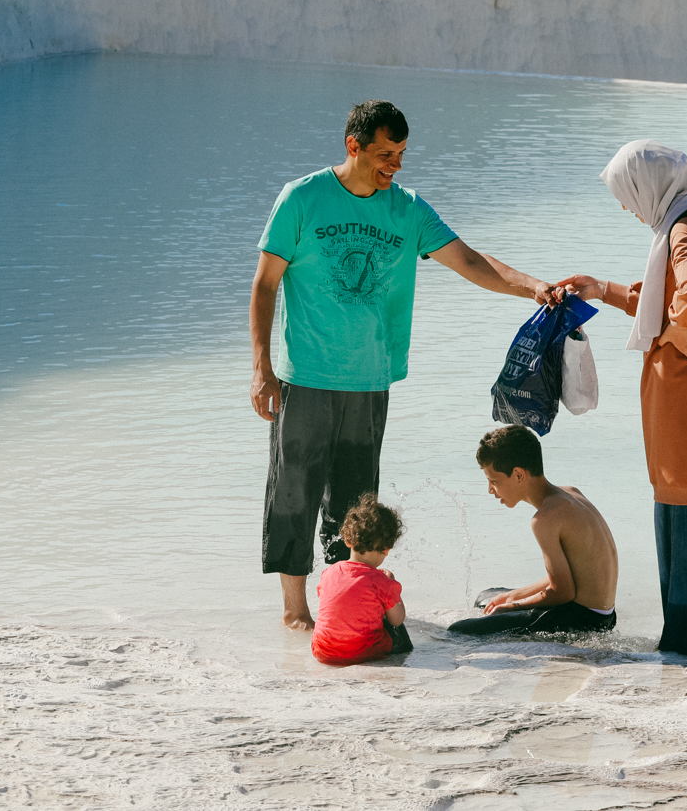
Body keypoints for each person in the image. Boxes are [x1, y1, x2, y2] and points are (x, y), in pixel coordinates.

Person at [251, 99, 557, 630]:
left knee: (354, 504)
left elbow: (470, 261)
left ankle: (340, 605)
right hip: (304, 376)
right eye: (386, 153)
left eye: (402, 155)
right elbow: (264, 284)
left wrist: (534, 287)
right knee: (293, 493)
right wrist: (261, 368)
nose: (395, 165)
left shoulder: (407, 209)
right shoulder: (302, 199)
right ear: (354, 146)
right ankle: (295, 612)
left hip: (370, 380)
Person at [555, 140, 687, 656]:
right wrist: (602, 288)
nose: (627, 205)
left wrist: (669, 333)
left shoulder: (683, 231)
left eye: (628, 193)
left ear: (649, 186)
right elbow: (666, 296)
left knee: (684, 520)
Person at [447, 424, 619, 637]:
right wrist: (513, 596)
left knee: (458, 632)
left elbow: (563, 591)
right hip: (605, 615)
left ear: (518, 475)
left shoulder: (544, 519)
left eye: (493, 481)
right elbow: (571, 576)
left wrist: (512, 606)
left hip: (583, 619)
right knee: (486, 597)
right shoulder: (572, 494)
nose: (490, 490)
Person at [311, 494, 414, 665]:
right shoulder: (383, 581)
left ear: (347, 540)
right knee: (394, 626)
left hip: (323, 651)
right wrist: (393, 589)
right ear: (387, 549)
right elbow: (397, 620)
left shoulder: (328, 573)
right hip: (363, 653)